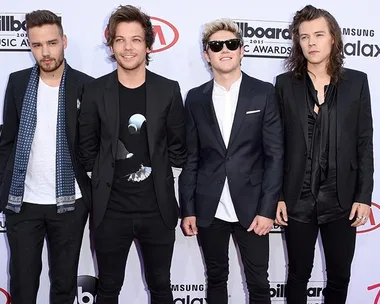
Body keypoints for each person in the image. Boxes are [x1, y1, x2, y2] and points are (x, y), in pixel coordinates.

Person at [78, 5, 186, 304]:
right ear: (111, 45)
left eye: (136, 39)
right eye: (120, 40)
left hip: (158, 211)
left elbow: (178, 144)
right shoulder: (95, 90)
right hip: (110, 212)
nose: (128, 47)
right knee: (109, 288)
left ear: (148, 44)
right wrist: (97, 178)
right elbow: (86, 145)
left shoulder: (168, 90)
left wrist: (167, 179)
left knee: (161, 288)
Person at [179, 18, 283, 304]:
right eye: (216, 45)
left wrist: (267, 209)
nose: (224, 50)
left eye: (231, 44)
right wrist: (188, 209)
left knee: (259, 282)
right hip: (209, 205)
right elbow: (191, 157)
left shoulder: (263, 92)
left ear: (241, 50)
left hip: (253, 208)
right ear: (206, 54)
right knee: (215, 278)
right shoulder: (196, 98)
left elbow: (275, 155)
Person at [275, 5, 374, 304]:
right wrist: (278, 195)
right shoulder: (284, 85)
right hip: (297, 197)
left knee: (340, 276)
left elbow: (364, 141)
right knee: (297, 275)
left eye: (319, 35)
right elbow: (276, 145)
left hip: (342, 198)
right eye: (304, 37)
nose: (311, 43)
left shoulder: (357, 82)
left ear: (333, 38)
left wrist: (364, 195)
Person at [0, 10, 92, 304]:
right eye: (37, 45)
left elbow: (92, 147)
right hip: (23, 203)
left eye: (52, 43)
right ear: (30, 45)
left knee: (64, 287)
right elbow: (7, 142)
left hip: (70, 204)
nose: (45, 52)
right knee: (23, 286)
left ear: (63, 41)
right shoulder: (16, 83)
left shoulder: (87, 86)